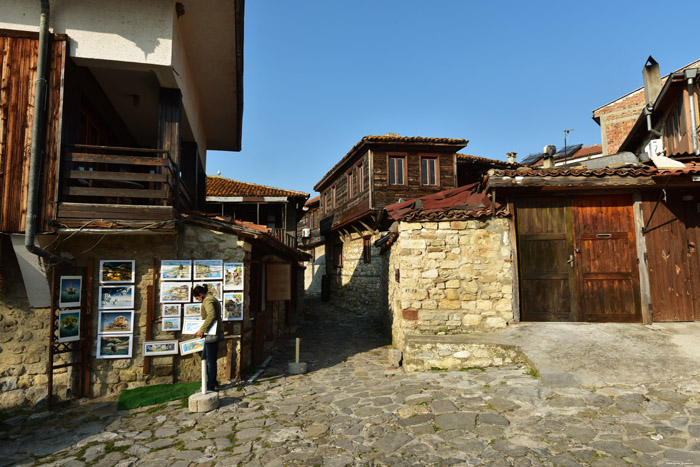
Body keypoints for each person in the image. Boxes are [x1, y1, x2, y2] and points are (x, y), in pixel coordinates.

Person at [192, 284, 224, 392]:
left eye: (197, 298)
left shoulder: (207, 300)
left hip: (212, 334)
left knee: (210, 360)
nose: (198, 300)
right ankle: (212, 382)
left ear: (200, 295)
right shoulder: (210, 298)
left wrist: (202, 329)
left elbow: (211, 315)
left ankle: (211, 385)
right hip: (212, 333)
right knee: (205, 359)